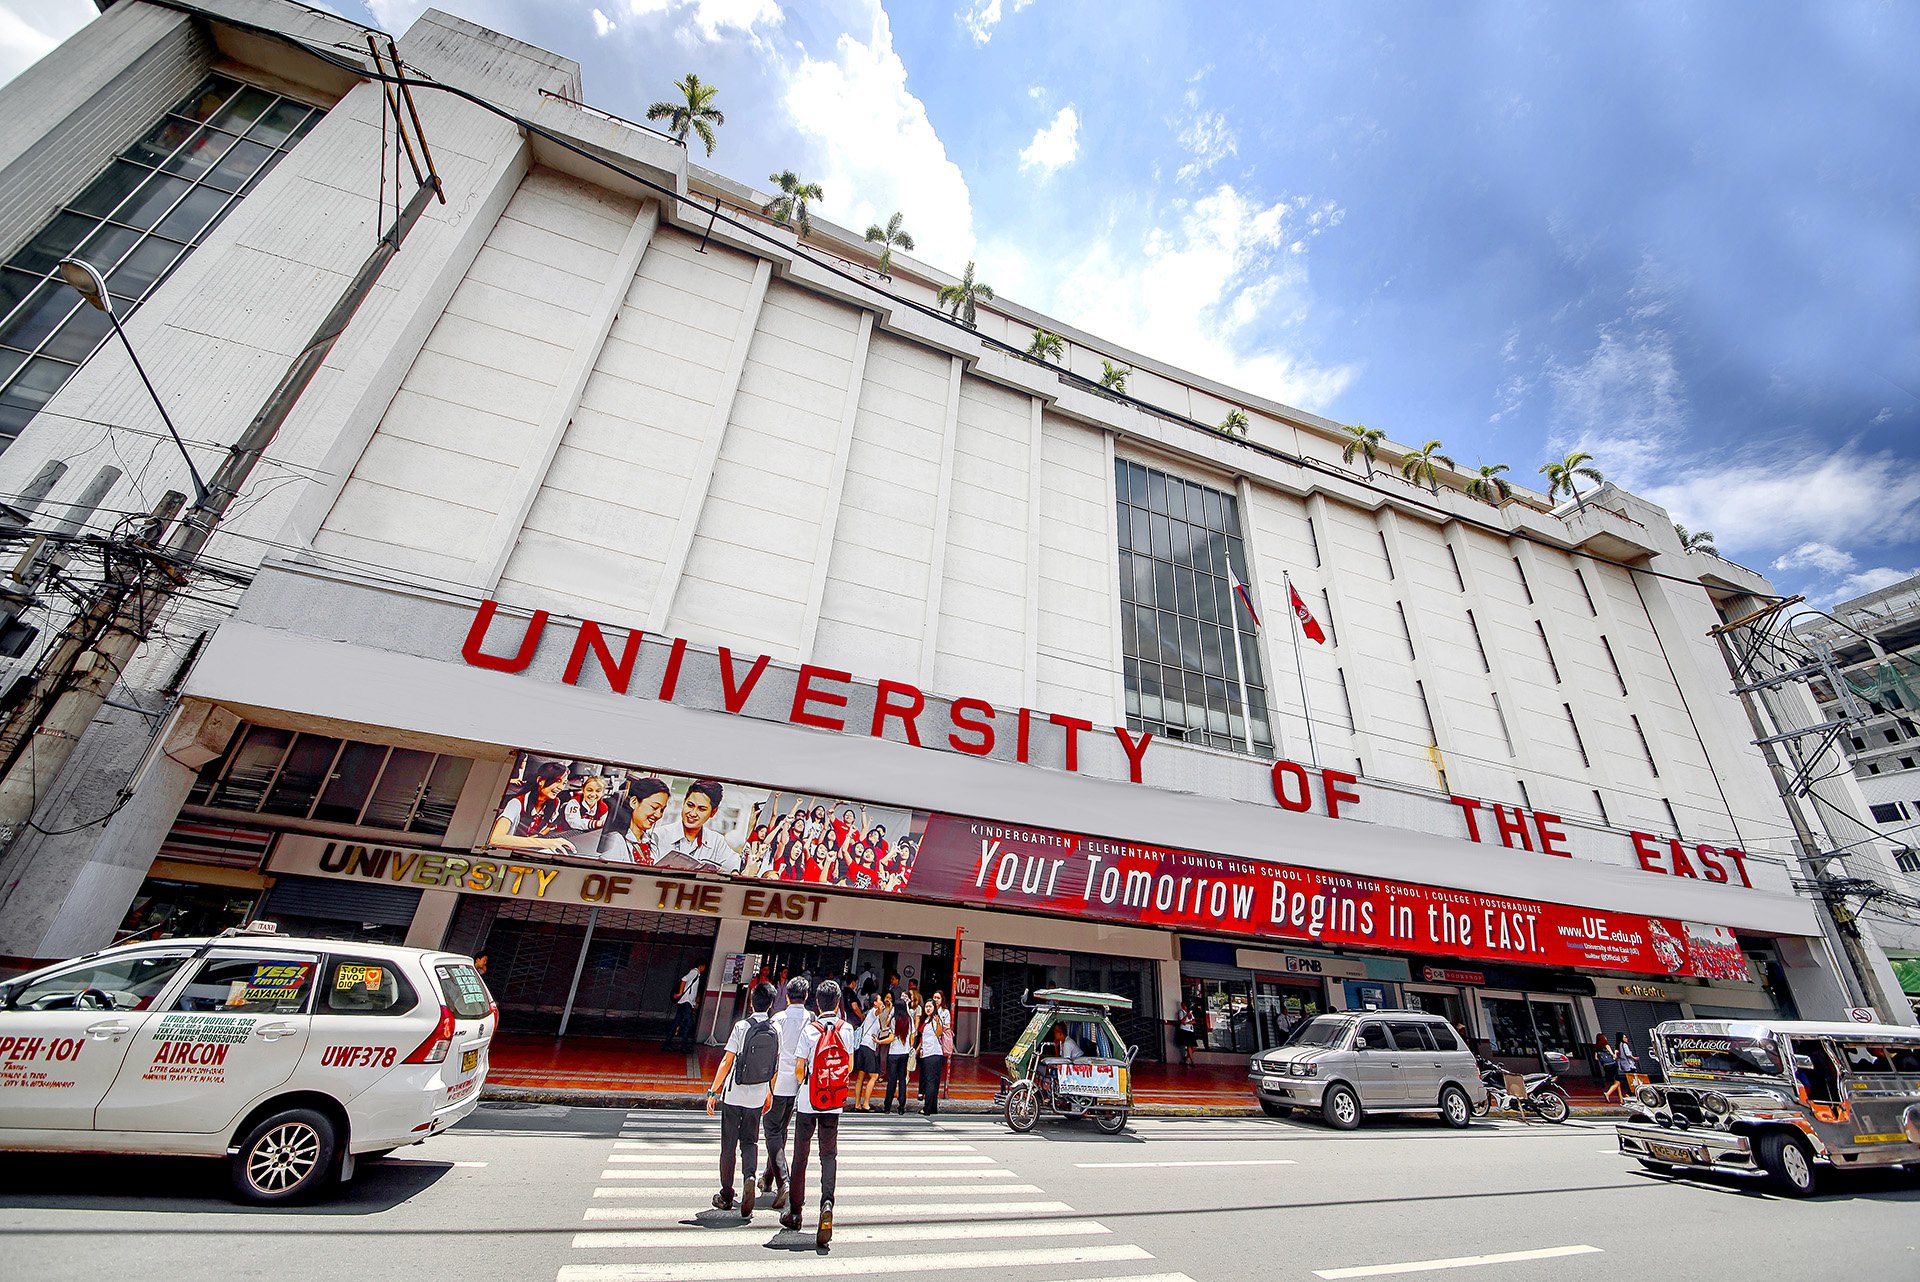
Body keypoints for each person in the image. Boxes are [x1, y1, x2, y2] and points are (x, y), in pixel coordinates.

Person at [786, 979, 856, 1248]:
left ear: (817, 1002)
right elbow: (848, 1066)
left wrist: (807, 1083)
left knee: (801, 1155)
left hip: (808, 1101)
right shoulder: (847, 1029)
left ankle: (795, 1211)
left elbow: (800, 1068)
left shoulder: (810, 1030)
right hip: (834, 1102)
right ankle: (827, 1203)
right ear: (838, 1003)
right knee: (829, 1155)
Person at [706, 981, 777, 1218]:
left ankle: (726, 1195)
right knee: (750, 1142)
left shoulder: (741, 1026)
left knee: (729, 1144)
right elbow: (773, 1067)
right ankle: (749, 1176)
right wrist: (769, 1092)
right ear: (770, 1004)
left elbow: (727, 1061)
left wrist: (713, 1092)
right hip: (757, 1096)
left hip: (734, 1093)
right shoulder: (774, 1029)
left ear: (751, 1001)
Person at [756, 975, 811, 1211]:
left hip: (777, 1081)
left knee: (771, 1130)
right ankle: (768, 1178)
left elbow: (771, 1052)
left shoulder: (778, 1019)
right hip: (797, 1083)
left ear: (787, 996)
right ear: (806, 997)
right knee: (780, 1131)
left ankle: (783, 1181)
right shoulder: (811, 1018)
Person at [648, 780, 745, 873]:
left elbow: (737, 864)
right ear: (684, 802)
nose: (693, 813)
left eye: (701, 809)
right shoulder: (657, 836)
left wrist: (734, 872)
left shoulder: (716, 842)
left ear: (713, 812)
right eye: (690, 805)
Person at [489, 761, 576, 854]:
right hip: (509, 852)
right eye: (558, 781)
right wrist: (545, 843)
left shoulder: (555, 802)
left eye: (564, 783)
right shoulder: (516, 803)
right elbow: (495, 839)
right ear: (540, 780)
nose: (561, 788)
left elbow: (549, 826)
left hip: (532, 850)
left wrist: (539, 837)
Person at [599, 777, 671, 864]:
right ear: (634, 802)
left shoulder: (650, 843)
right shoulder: (615, 841)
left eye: (662, 810)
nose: (658, 815)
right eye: (654, 807)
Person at [915, 996, 948, 1116]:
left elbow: (939, 1034)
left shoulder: (935, 1019)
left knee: (930, 1082)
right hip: (927, 1053)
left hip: (933, 1054)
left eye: (930, 1006)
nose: (928, 1008)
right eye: (926, 1006)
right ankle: (932, 1107)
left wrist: (938, 1022)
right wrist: (917, 1051)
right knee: (933, 1082)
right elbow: (923, 1039)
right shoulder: (926, 1020)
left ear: (934, 1008)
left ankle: (927, 1108)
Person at [853, 991, 884, 1111]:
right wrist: (882, 1007)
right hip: (868, 1047)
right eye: (879, 1000)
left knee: (860, 1076)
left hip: (863, 1046)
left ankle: (857, 1104)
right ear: (875, 1003)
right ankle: (865, 1104)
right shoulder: (873, 1012)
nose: (881, 1002)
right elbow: (879, 1011)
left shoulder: (870, 1014)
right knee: (874, 1075)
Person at [882, 996, 912, 1113]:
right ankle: (901, 1106)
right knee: (902, 1080)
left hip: (894, 1052)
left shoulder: (894, 1020)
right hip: (905, 1052)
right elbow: (912, 1034)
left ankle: (887, 1106)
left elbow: (886, 1024)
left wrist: (892, 1010)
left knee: (892, 1080)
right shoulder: (908, 1020)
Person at [666, 962, 704, 1052]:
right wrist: (680, 993)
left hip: (684, 1002)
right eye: (703, 967)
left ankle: (667, 1044)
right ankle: (683, 1046)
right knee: (689, 1023)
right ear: (701, 966)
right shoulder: (694, 972)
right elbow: (684, 979)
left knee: (677, 1022)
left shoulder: (696, 974)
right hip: (686, 1001)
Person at [1175, 1000, 1198, 1066]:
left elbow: (1193, 1021)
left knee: (1194, 1047)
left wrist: (1187, 1022)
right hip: (1185, 1030)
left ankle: (1186, 1058)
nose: (1184, 1007)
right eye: (1183, 1005)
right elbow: (1182, 1021)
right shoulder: (1181, 1012)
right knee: (1189, 1045)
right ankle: (1192, 1061)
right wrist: (1186, 1016)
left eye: (1184, 1005)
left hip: (1190, 1030)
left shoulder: (1190, 1013)